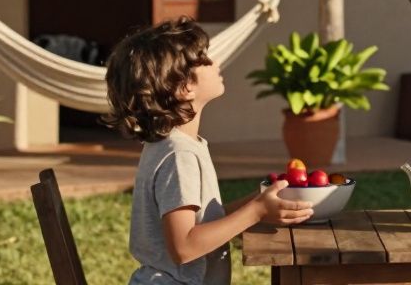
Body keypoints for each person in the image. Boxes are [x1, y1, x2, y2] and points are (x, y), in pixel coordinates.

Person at [104, 17, 314, 284]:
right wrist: (256, 212)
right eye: (203, 57)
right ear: (184, 87)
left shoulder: (173, 146)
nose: (215, 62)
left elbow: (200, 225)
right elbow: (184, 247)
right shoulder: (179, 155)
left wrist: (256, 202)